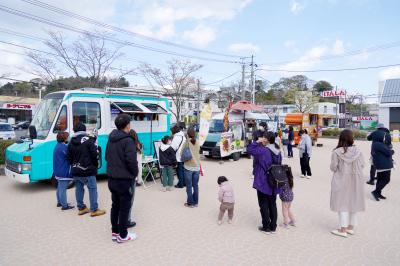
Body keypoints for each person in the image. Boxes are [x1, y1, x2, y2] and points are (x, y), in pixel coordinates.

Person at [106, 114, 139, 243]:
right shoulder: (128, 140)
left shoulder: (111, 139)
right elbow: (131, 161)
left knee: (115, 206)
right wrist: (134, 173)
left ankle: (115, 232)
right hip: (124, 180)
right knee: (124, 208)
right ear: (127, 125)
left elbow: (107, 157)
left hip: (112, 179)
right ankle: (123, 235)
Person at [330, 129, 365, 238]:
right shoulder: (358, 151)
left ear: (341, 139)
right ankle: (350, 228)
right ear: (351, 139)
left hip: (341, 180)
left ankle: (343, 230)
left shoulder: (336, 152)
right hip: (356, 180)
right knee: (352, 202)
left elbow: (333, 167)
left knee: (342, 204)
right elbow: (363, 164)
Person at [67, 122, 106, 217]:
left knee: (79, 189)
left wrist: (74, 165)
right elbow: (94, 154)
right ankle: (94, 209)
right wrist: (95, 165)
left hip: (76, 169)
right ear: (84, 130)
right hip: (88, 170)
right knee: (92, 189)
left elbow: (69, 157)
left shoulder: (71, 142)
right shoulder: (88, 140)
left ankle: (81, 208)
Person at [247, 131, 282, 234]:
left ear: (266, 139)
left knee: (263, 204)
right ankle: (273, 227)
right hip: (274, 181)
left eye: (263, 137)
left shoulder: (263, 151)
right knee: (273, 204)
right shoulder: (277, 150)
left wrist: (257, 141)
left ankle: (266, 227)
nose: (262, 138)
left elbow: (249, 149)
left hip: (263, 181)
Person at [371, 129, 394, 201]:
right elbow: (388, 152)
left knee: (380, 179)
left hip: (381, 164)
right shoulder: (379, 144)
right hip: (384, 165)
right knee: (386, 179)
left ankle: (378, 193)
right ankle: (375, 192)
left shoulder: (375, 144)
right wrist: (392, 151)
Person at [53, 131, 74, 211]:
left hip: (58, 170)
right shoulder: (63, 148)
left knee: (59, 187)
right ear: (64, 138)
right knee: (63, 188)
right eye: (68, 137)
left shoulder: (58, 146)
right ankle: (64, 206)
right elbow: (70, 157)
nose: (69, 138)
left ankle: (59, 202)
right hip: (63, 171)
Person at [126, 129, 142, 228]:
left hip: (125, 175)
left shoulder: (127, 145)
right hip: (133, 176)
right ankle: (127, 219)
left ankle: (125, 219)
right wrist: (138, 178)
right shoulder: (138, 146)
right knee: (130, 199)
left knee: (124, 199)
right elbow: (138, 164)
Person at [182, 127, 201, 208]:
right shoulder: (197, 142)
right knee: (195, 185)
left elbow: (181, 153)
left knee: (189, 186)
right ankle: (196, 202)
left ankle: (190, 203)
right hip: (197, 167)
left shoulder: (187, 142)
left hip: (188, 167)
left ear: (187, 134)